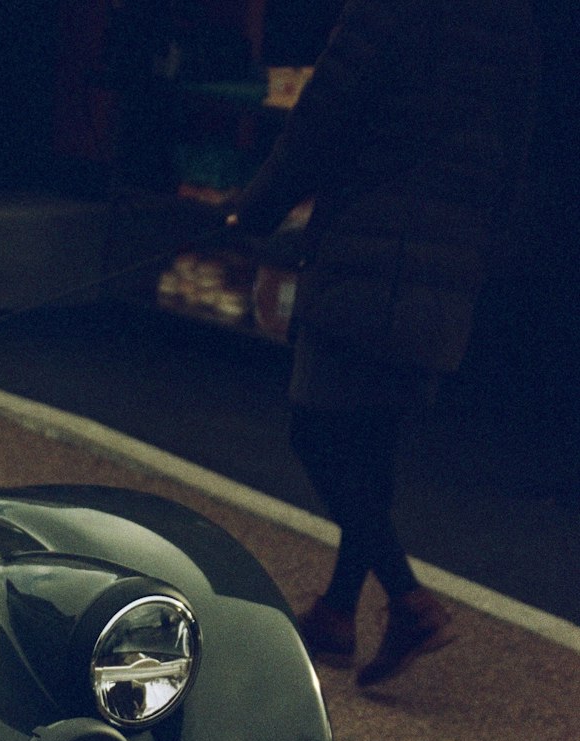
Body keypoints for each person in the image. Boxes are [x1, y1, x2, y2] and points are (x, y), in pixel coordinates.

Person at [230, 0, 541, 685]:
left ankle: (407, 599)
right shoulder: (513, 23)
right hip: (450, 259)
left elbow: (320, 118)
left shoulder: (388, 11)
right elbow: (519, 151)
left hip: (365, 251)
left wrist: (254, 209)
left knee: (314, 430)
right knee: (372, 441)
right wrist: (481, 251)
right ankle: (338, 612)